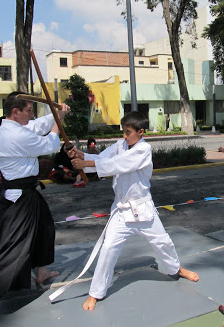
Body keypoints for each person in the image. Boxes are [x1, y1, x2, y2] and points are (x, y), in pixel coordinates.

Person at [71, 111, 199, 311]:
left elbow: (118, 165)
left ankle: (177, 269)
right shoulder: (121, 145)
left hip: (143, 208)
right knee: (108, 249)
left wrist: (87, 163)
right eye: (123, 131)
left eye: (128, 132)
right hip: (121, 211)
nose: (124, 136)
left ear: (140, 132)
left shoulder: (144, 150)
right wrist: (82, 155)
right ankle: (95, 293)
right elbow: (103, 158)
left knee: (162, 242)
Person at [0, 92, 71, 326]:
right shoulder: (12, 135)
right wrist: (59, 120)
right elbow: (49, 144)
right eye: (29, 110)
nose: (32, 115)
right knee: (14, 248)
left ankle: (41, 270)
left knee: (45, 228)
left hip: (27, 191)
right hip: (18, 198)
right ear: (16, 112)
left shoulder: (15, 127)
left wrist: (56, 114)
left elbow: (36, 126)